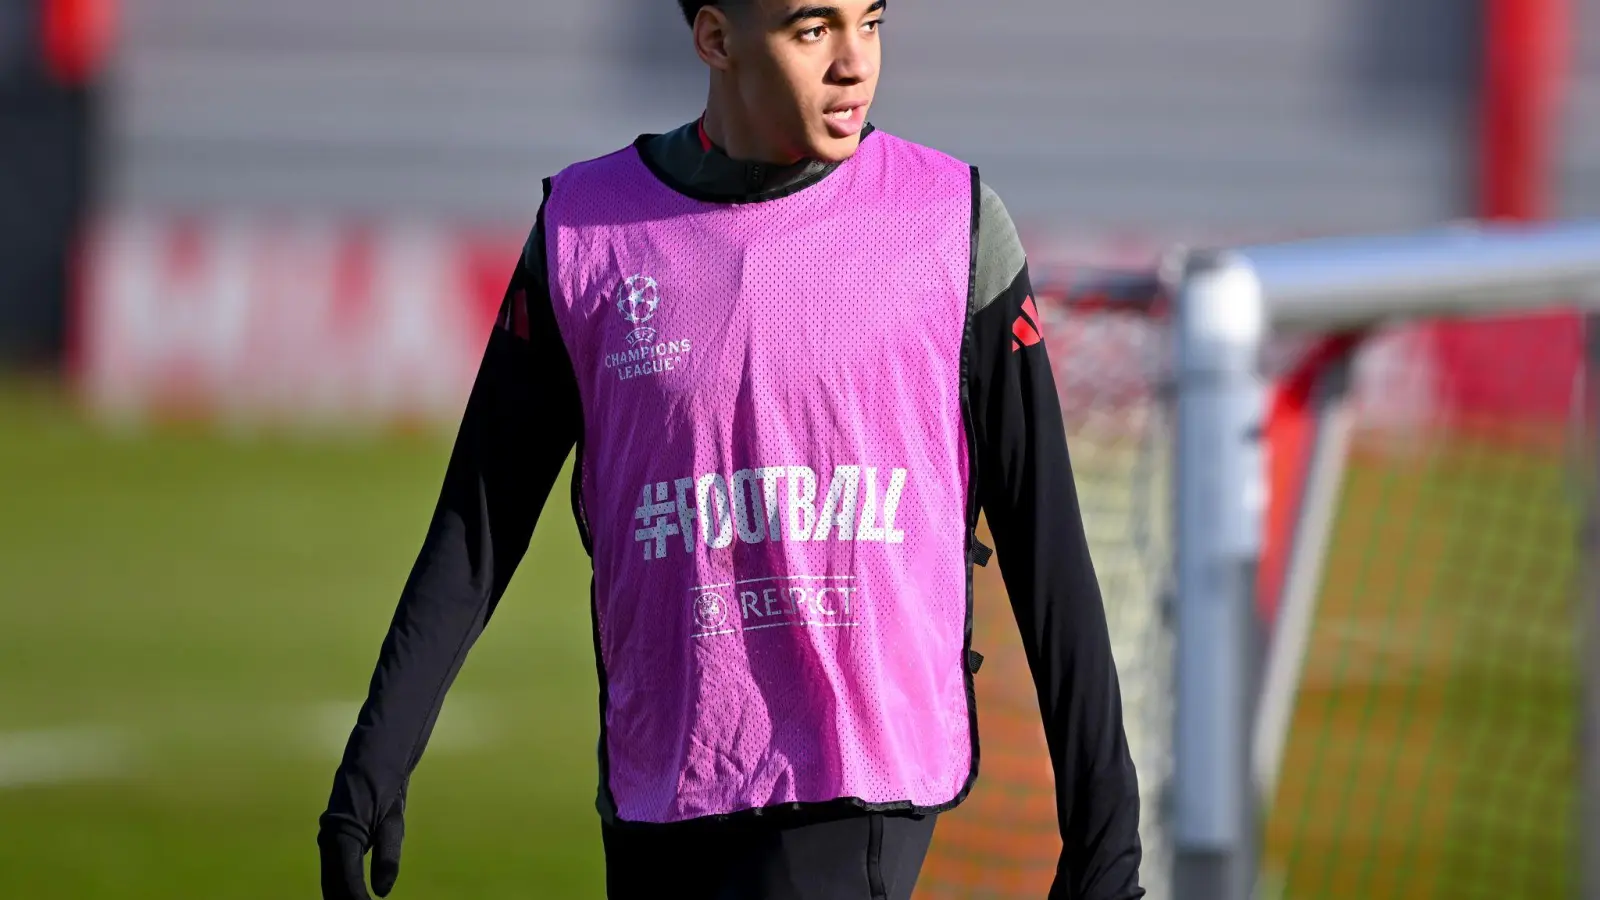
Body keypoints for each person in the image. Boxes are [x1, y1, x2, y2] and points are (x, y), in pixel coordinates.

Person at [317, 2, 1144, 897]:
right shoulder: (585, 233)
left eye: (869, 22)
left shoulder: (952, 223)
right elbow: (480, 522)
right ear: (715, 39)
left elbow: (1046, 546)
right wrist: (375, 766)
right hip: (656, 785)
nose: (854, 63)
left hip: (853, 781)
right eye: (812, 29)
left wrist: (1105, 850)